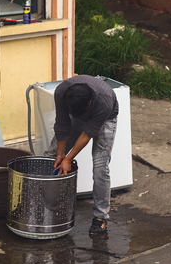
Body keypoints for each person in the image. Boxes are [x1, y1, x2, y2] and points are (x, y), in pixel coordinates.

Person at [44, 75, 119, 235]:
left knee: (100, 167)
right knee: (50, 155)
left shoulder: (103, 102)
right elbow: (62, 124)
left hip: (106, 119)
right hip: (77, 114)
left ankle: (100, 218)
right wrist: (60, 155)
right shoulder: (62, 92)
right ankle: (43, 204)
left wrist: (69, 159)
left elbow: (86, 134)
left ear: (89, 103)